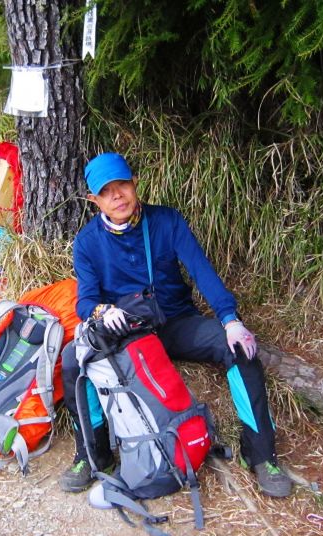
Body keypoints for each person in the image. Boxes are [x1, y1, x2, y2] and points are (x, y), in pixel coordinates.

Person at [58, 152, 293, 498]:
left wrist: (230, 319)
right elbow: (85, 301)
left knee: (239, 349)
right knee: (71, 361)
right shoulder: (88, 242)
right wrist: (103, 312)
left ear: (134, 182)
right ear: (94, 201)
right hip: (126, 335)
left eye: (122, 184)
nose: (118, 196)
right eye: (106, 192)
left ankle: (260, 454)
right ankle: (94, 454)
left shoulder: (167, 221)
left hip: (175, 322)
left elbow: (202, 272)